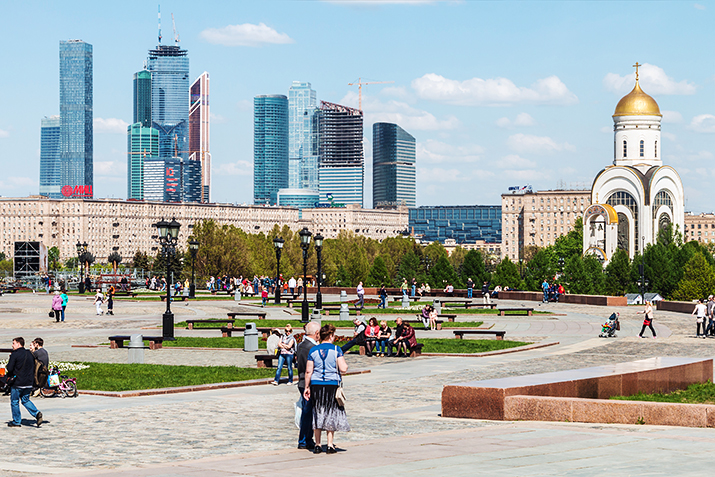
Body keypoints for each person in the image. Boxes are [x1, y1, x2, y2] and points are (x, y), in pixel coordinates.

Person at [303, 324, 350, 454]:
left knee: (317, 411)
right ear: (330, 336)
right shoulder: (336, 350)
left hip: (316, 384)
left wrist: (307, 387)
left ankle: (317, 444)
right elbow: (343, 368)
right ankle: (329, 444)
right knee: (331, 412)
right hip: (331, 384)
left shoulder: (313, 350)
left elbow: (308, 371)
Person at [6, 337, 43, 428]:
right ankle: (36, 413)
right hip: (28, 382)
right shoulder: (29, 354)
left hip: (17, 383)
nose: (12, 345)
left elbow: (9, 368)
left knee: (14, 401)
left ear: (19, 344)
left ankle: (17, 421)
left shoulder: (15, 354)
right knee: (25, 400)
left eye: (13, 343)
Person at [296, 321, 320, 450]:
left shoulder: (301, 345)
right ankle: (304, 440)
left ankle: (307, 439)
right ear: (316, 333)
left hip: (301, 380)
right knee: (307, 412)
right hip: (308, 383)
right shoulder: (310, 347)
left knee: (308, 412)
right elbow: (309, 368)